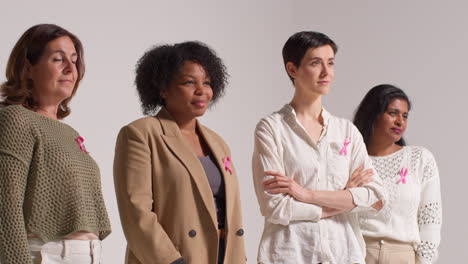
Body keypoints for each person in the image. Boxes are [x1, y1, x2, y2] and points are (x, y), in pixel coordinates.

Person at [252, 31, 386, 263]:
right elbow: (275, 206)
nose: (327, 73)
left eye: (331, 63)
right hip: (290, 254)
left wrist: (306, 194)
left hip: (344, 255)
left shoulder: (346, 131)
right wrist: (342, 200)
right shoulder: (271, 129)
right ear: (293, 69)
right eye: (316, 63)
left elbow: (375, 196)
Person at [113, 41, 246, 264]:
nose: (202, 91)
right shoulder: (141, 134)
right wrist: (172, 261)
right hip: (174, 259)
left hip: (224, 255)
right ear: (163, 88)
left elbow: (230, 209)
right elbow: (136, 213)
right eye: (189, 82)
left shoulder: (218, 143)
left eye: (207, 82)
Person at [0, 24, 111, 264]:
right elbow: (5, 208)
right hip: (46, 256)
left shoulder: (69, 131)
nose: (71, 69)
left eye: (74, 60)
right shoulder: (16, 119)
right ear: (28, 67)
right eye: (58, 59)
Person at [350, 84, 441, 264]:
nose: (400, 121)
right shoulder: (351, 161)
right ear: (372, 114)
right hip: (357, 254)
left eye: (405, 116)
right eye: (393, 113)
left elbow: (430, 220)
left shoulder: (419, 159)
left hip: (403, 256)